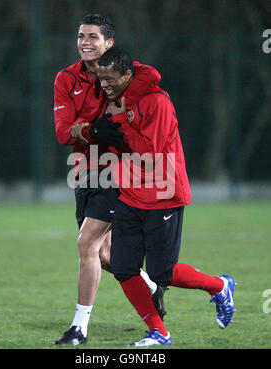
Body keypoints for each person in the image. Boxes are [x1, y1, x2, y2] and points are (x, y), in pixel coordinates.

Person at [95, 47, 236, 347]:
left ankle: (220, 286)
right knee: (123, 267)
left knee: (163, 272)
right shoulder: (119, 100)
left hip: (163, 196)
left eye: (108, 79)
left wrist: (117, 127)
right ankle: (159, 332)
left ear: (127, 75)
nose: (103, 84)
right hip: (130, 195)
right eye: (100, 78)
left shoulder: (157, 102)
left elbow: (151, 154)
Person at [53, 14, 167, 346]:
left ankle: (79, 328)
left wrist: (83, 129)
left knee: (85, 243)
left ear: (108, 43)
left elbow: (153, 76)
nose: (84, 42)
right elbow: (63, 133)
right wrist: (93, 129)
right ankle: (150, 286)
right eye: (80, 36)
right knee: (104, 255)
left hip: (115, 171)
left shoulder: (119, 72)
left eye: (92, 37)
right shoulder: (65, 78)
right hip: (84, 170)